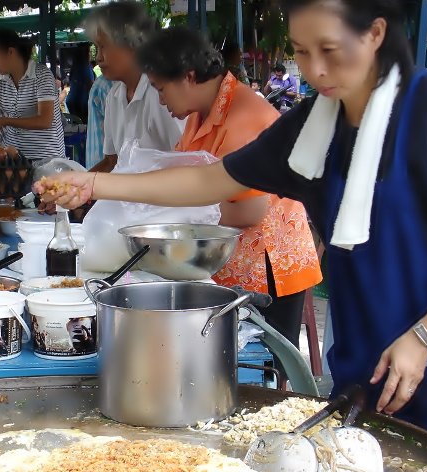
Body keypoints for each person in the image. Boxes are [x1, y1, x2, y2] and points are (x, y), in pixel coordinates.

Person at [39, 3, 427, 472]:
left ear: (377, 33)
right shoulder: (319, 122)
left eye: (328, 50)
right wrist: (94, 181)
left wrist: (423, 335)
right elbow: (212, 178)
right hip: (367, 345)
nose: (314, 70)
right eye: (301, 51)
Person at [138, 26, 322, 346]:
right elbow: (187, 178)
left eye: (161, 88)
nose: (161, 99)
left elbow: (248, 210)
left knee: (262, 370)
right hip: (232, 262)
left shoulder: (243, 116)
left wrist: (174, 205)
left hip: (269, 269)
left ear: (188, 76)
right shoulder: (201, 113)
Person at [84, 0, 184, 173]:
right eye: (96, 47)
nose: (98, 57)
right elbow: (112, 161)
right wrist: (73, 187)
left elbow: (185, 161)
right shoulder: (113, 97)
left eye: (103, 46)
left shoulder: (160, 95)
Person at [0, 29, 64, 161]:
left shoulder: (42, 75)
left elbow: (44, 120)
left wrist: (5, 121)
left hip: (47, 157)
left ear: (10, 52)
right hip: (14, 157)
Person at [85, 74, 115, 169]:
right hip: (104, 167)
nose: (99, 58)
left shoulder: (106, 84)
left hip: (102, 167)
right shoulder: (107, 85)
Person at [66, 44, 95, 122]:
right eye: (89, 52)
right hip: (82, 104)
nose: (90, 54)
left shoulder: (75, 68)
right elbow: (91, 88)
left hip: (71, 102)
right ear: (85, 54)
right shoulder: (86, 69)